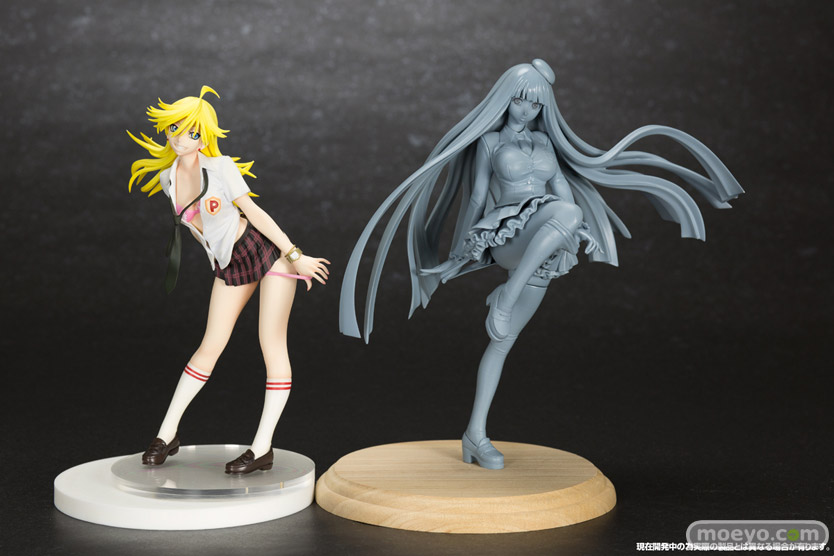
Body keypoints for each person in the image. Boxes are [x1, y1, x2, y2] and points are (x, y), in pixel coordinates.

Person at [339, 59, 743, 469]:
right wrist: (463, 250)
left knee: (502, 340)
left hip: (545, 245)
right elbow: (477, 197)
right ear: (505, 98)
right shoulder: (489, 142)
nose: (526, 110)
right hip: (509, 237)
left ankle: (475, 435)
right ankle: (505, 296)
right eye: (519, 101)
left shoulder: (546, 142)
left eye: (535, 105)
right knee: (564, 217)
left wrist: (579, 229)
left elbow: (563, 190)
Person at [127, 86, 329, 474]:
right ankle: (166, 435)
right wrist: (218, 261)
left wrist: (294, 255)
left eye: (191, 131)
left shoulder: (220, 169)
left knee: (271, 343)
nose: (180, 137)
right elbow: (198, 229)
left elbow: (255, 213)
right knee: (210, 345)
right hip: (230, 265)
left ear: (203, 137)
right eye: (174, 129)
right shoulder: (169, 179)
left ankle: (262, 447)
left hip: (265, 253)